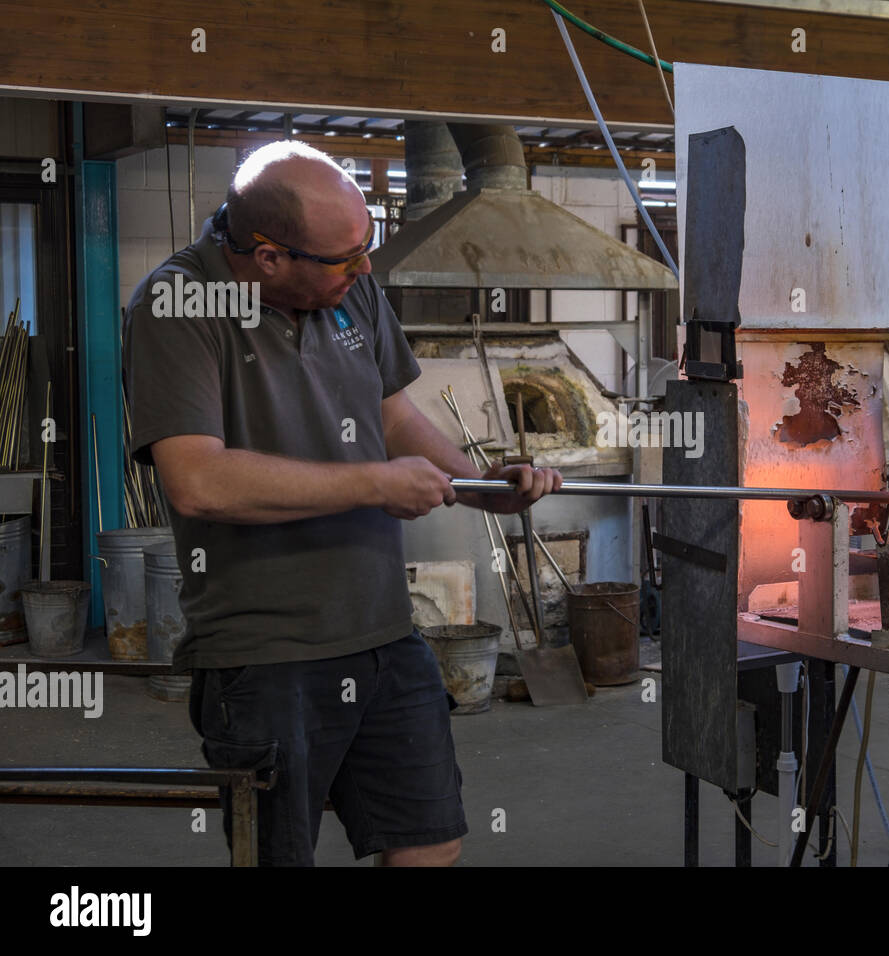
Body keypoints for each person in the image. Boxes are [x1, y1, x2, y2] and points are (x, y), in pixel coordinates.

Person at [122, 140, 561, 866]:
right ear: (267, 258)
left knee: (429, 842)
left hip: (385, 632)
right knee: (279, 854)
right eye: (343, 258)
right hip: (267, 653)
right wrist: (372, 484)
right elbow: (198, 480)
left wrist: (487, 487)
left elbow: (395, 420)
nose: (364, 270)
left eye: (367, 249)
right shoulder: (177, 305)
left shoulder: (348, 286)